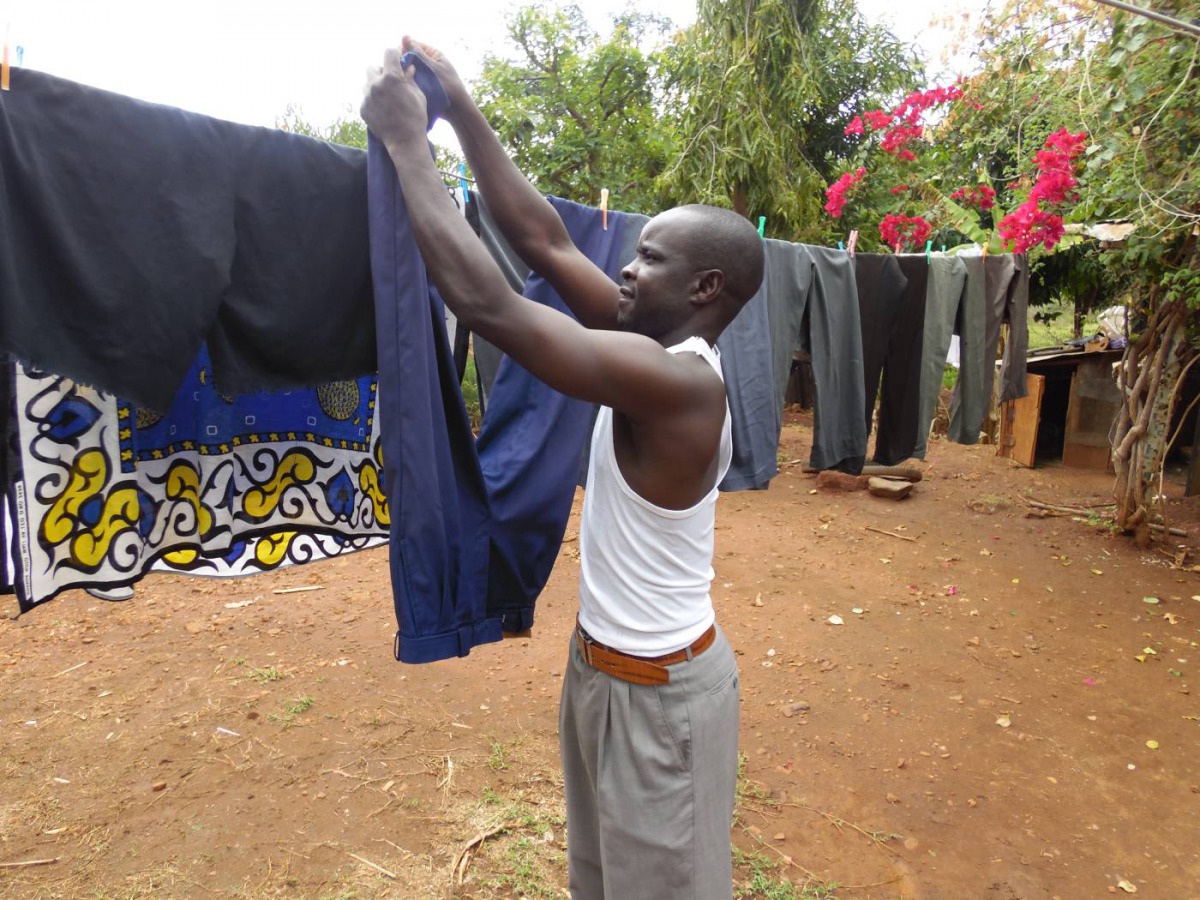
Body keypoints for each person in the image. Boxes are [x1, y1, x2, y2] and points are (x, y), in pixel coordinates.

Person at [362, 39, 764, 900]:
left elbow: (489, 306)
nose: (625, 264)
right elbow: (542, 242)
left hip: (662, 696)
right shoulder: (645, 341)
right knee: (602, 883)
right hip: (604, 673)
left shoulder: (679, 385)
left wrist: (406, 145)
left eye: (651, 258)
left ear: (706, 288)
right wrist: (462, 106)